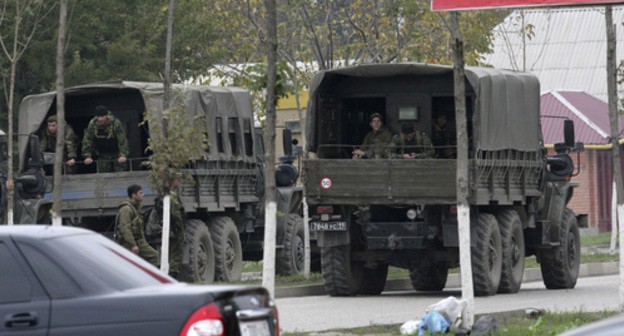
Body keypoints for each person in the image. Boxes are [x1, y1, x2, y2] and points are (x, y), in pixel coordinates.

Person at [116, 184, 159, 266]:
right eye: (140, 193)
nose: (143, 195)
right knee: (153, 256)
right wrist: (133, 245)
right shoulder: (126, 209)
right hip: (129, 243)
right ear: (133, 195)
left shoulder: (136, 207)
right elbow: (125, 228)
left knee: (152, 256)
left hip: (139, 241)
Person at [82, 105, 129, 172]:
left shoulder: (115, 123)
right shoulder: (93, 124)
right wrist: (87, 156)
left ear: (107, 115)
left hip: (117, 153)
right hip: (102, 154)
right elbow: (87, 140)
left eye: (102, 116)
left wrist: (123, 155)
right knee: (103, 174)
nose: (100, 119)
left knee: (121, 173)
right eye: (98, 117)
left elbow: (122, 140)